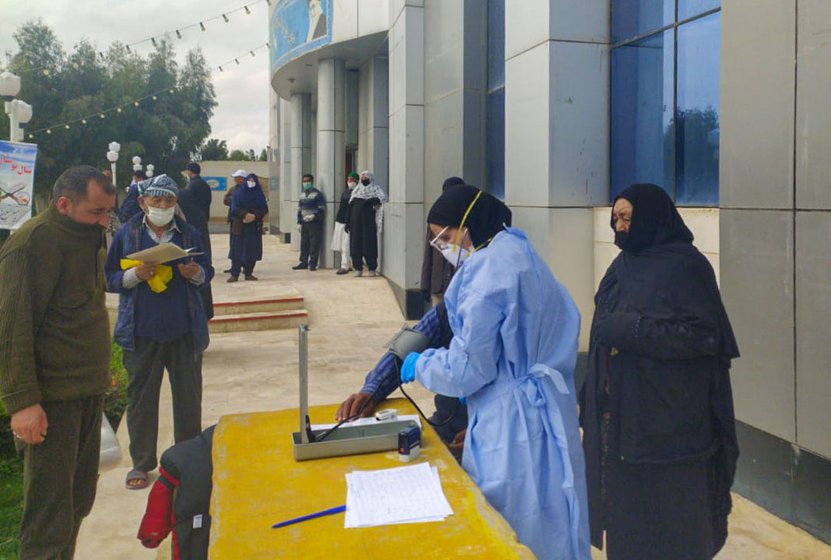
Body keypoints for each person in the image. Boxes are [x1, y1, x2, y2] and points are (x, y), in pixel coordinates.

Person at [398, 185, 590, 560]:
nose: (444, 246)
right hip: (549, 406)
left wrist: (421, 364)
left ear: (467, 224)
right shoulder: (520, 251)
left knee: (514, 526)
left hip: (513, 422)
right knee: (556, 518)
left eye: (446, 236)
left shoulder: (486, 272)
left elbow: (469, 368)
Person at [579, 183, 740, 560]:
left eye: (627, 218)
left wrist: (633, 331)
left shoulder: (687, 266)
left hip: (672, 433)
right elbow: (604, 329)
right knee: (629, 531)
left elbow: (705, 337)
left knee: (673, 532)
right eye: (615, 218)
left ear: (651, 217)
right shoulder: (622, 266)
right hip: (621, 428)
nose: (619, 227)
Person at [0, 165, 116, 559]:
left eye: (107, 213)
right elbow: (12, 328)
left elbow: (84, 311)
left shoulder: (88, 237)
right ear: (64, 204)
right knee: (48, 518)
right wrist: (22, 403)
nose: (104, 222)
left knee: (78, 503)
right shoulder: (31, 244)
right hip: (51, 403)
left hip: (86, 393)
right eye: (96, 212)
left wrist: (102, 375)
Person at [105, 174, 213, 491]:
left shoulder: (188, 233)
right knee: (141, 399)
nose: (162, 206)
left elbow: (208, 272)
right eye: (156, 200)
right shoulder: (128, 234)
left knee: (188, 399)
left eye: (168, 200)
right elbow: (109, 277)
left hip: (184, 331)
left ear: (175, 202)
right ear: (143, 202)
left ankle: (187, 460)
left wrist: (194, 273)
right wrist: (135, 275)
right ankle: (141, 462)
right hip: (141, 333)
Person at [336, 301, 468, 451]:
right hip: (446, 424)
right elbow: (406, 348)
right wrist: (371, 390)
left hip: (489, 444)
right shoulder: (452, 306)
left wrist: (491, 435)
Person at [421, 176, 464, 306]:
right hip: (438, 284)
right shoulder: (436, 217)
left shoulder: (468, 219)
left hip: (459, 287)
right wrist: (425, 284)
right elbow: (428, 254)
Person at [179, 162, 214, 317]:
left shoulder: (190, 188)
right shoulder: (205, 185)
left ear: (189, 171)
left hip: (193, 221)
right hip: (202, 219)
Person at [227, 173, 269, 282]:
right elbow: (234, 208)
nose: (251, 183)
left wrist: (254, 216)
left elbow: (264, 208)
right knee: (237, 250)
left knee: (252, 250)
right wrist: (245, 214)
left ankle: (248, 273)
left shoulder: (259, 194)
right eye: (249, 180)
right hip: (240, 225)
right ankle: (234, 274)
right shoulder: (238, 193)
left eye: (253, 181)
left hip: (254, 226)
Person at [346, 170, 386, 277]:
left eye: (366, 176)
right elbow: (350, 206)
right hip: (355, 223)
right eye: (362, 177)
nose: (363, 178)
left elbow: (382, 198)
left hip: (368, 223)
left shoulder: (376, 189)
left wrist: (370, 201)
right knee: (355, 245)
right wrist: (347, 222)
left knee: (369, 244)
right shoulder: (357, 190)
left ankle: (372, 268)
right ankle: (358, 268)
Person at [292, 173, 325, 271]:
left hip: (314, 223)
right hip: (304, 222)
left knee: (314, 243)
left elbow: (321, 209)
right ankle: (303, 262)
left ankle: (312, 264)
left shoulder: (317, 195)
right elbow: (299, 209)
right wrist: (299, 222)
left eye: (307, 181)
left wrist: (313, 216)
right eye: (304, 181)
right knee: (304, 243)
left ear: (312, 182)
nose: (305, 183)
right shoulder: (302, 195)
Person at [332, 172, 358, 275]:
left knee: (346, 245)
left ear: (357, 181)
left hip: (350, 222)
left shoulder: (358, 192)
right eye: (348, 179)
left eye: (352, 180)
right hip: (340, 220)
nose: (350, 181)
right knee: (342, 245)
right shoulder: (345, 192)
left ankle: (344, 266)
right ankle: (350, 264)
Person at [223, 169, 246, 273]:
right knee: (234, 244)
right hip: (234, 220)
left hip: (244, 221)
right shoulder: (233, 189)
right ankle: (234, 266)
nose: (235, 180)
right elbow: (225, 200)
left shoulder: (248, 189)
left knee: (244, 244)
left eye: (237, 178)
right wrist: (233, 201)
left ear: (242, 178)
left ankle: (246, 266)